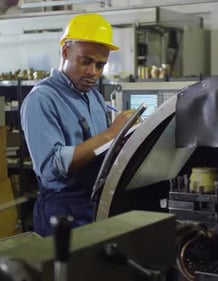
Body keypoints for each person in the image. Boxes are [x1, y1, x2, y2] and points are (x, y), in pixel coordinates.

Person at [20, 13, 134, 236]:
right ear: (65, 52)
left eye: (100, 65)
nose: (93, 72)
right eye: (86, 61)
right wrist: (112, 133)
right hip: (61, 211)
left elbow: (98, 149)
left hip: (92, 204)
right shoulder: (42, 99)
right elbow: (52, 168)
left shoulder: (93, 97)